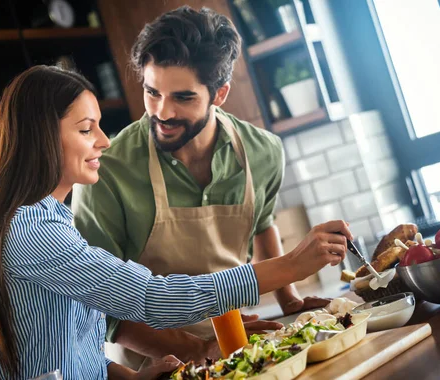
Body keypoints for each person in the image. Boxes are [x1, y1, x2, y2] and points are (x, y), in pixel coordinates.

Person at [0, 65, 351, 380]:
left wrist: (125, 376)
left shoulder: (50, 219)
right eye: (87, 129)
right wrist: (291, 265)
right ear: (42, 138)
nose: (104, 141)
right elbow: (152, 299)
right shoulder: (30, 231)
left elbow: (60, 351)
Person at [72, 6, 331, 368]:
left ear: (220, 94)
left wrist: (290, 301)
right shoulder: (109, 170)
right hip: (151, 363)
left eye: (183, 97)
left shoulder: (262, 152)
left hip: (239, 345)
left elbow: (262, 224)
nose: (162, 112)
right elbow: (100, 300)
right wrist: (195, 350)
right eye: (152, 92)